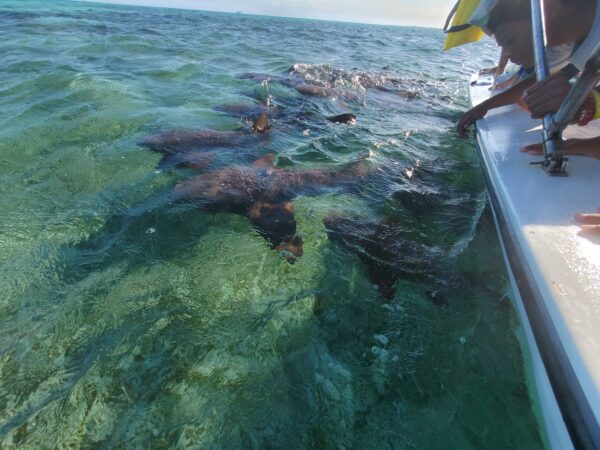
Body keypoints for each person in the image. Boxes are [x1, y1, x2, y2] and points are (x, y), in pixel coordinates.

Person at [457, 0, 597, 138]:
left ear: (549, 6)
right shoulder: (563, 39)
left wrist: (583, 106)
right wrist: (484, 106)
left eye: (510, 40)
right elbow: (534, 80)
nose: (507, 54)